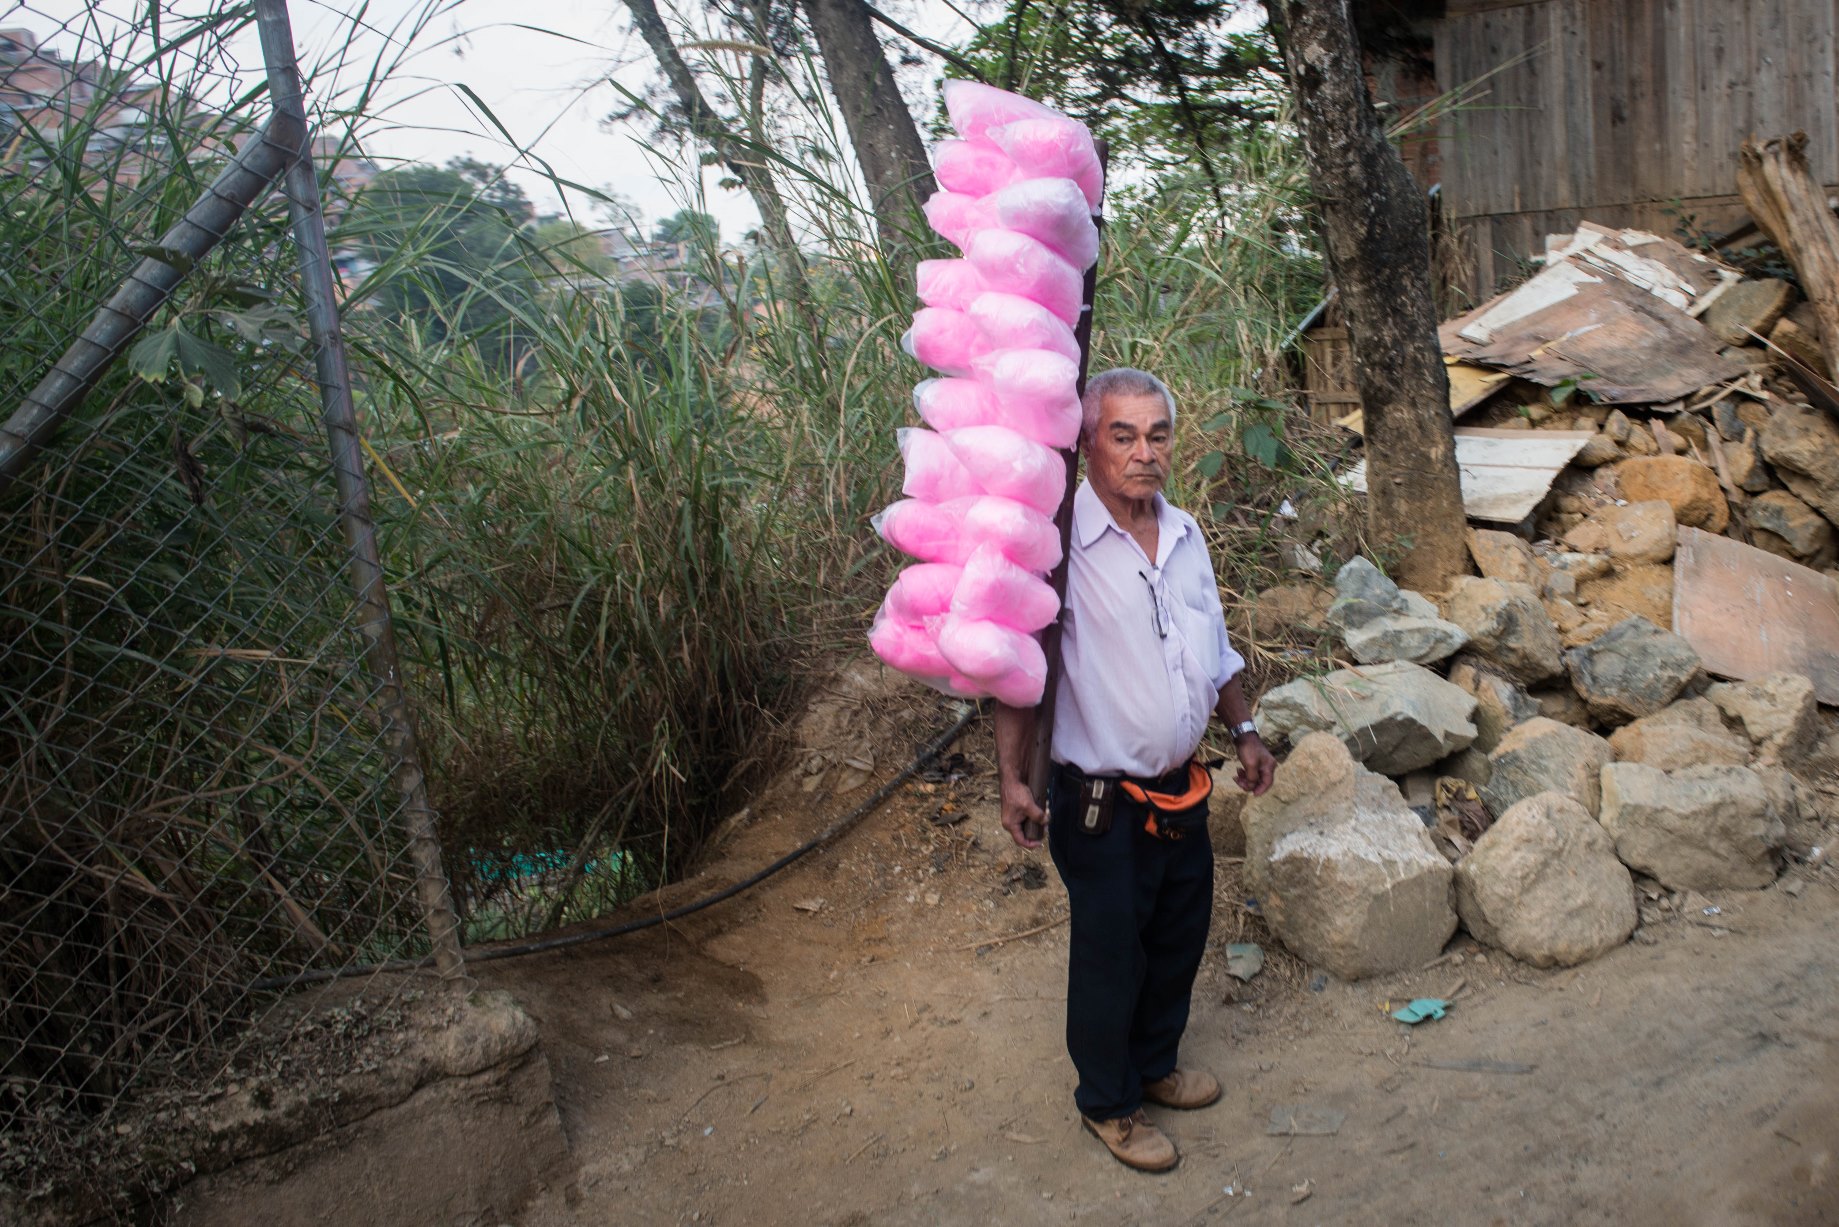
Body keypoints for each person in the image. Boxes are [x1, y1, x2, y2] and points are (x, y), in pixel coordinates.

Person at [993, 367, 1276, 1173]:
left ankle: (1154, 1065)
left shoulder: (1184, 534)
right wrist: (1011, 778)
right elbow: (1019, 672)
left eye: (1157, 434)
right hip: (1098, 802)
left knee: (1177, 939)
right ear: (1086, 444)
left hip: (1181, 789)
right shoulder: (1054, 548)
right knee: (1111, 955)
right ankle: (1108, 1104)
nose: (1142, 452)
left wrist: (1245, 730)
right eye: (1122, 434)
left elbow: (1214, 649)